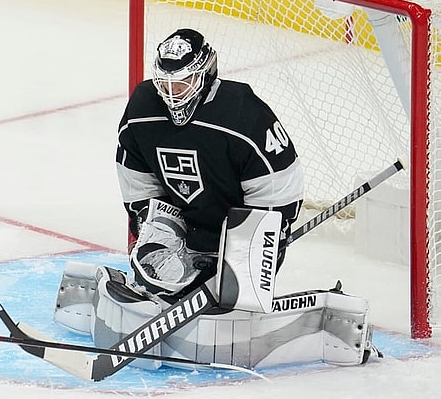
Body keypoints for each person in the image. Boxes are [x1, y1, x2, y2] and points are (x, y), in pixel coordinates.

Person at [53, 28, 376, 370]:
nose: (172, 94)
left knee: (235, 302)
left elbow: (280, 185)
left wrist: (261, 245)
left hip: (243, 226)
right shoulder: (143, 108)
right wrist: (151, 226)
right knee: (153, 262)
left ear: (205, 73)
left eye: (182, 83)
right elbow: (137, 181)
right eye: (164, 84)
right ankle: (172, 290)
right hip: (184, 221)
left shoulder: (243, 113)